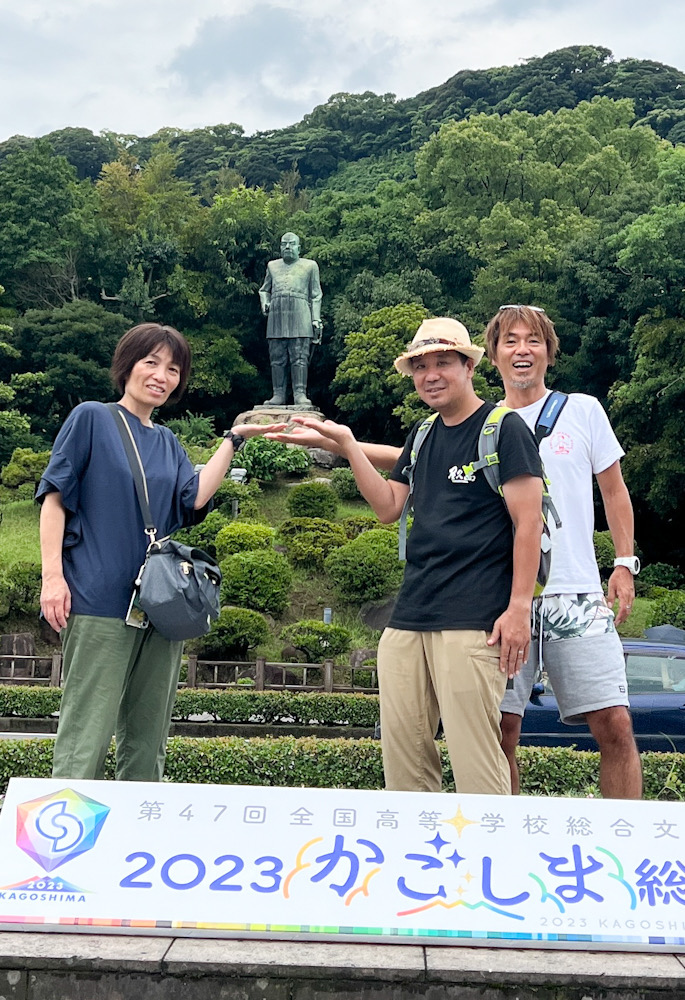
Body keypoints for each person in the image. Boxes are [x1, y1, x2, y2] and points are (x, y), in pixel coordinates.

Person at [271, 317, 544, 795]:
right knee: (404, 759)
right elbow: (387, 508)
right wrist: (349, 445)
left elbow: (529, 521)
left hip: (473, 616)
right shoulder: (422, 434)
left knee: (476, 759)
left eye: (443, 363)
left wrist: (519, 608)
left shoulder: (504, 428)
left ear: (468, 366)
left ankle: (494, 862)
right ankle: (422, 863)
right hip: (409, 614)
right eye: (420, 366)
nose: (431, 375)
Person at [38, 322, 283, 782]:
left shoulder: (168, 441)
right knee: (87, 732)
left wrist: (232, 439)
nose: (161, 375)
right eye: (151, 362)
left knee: (148, 738)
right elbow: (54, 499)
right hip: (98, 598)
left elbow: (193, 499)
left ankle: (133, 844)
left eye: (173, 368)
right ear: (127, 365)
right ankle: (66, 846)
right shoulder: (92, 417)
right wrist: (53, 578)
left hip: (161, 605)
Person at [484, 305, 642, 798]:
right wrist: (347, 444)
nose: (522, 350)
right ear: (492, 356)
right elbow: (414, 460)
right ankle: (504, 847)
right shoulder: (482, 423)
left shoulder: (583, 409)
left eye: (533, 340)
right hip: (502, 597)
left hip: (576, 591)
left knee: (614, 722)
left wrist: (623, 563)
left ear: (549, 351)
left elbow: (613, 491)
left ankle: (626, 842)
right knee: (499, 732)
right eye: (509, 341)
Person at [259, 232, 323, 407]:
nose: (287, 247)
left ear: (299, 248)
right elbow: (264, 290)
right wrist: (265, 302)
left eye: (291, 244)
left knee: (300, 356)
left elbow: (316, 295)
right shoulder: (272, 266)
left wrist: (316, 319)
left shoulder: (310, 266)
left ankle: (300, 394)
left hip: (301, 313)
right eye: (284, 244)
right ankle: (278, 394)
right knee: (277, 356)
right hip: (277, 315)